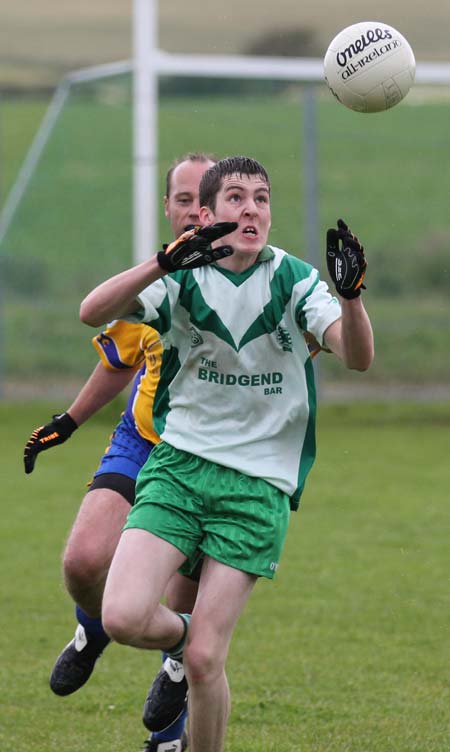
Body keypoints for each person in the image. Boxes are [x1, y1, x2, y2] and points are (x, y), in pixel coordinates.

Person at [78, 155, 374, 752]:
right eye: (236, 197)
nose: (251, 209)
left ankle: (196, 664)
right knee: (122, 617)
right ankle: (186, 635)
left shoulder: (295, 279)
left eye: (261, 198)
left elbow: (358, 356)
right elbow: (92, 311)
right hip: (180, 468)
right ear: (206, 214)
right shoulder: (183, 275)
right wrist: (162, 261)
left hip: (257, 486)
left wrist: (352, 299)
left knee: (209, 661)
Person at [23, 152, 219, 752]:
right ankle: (94, 627)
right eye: (182, 198)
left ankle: (168, 724)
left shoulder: (257, 280)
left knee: (176, 612)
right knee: (84, 562)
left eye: (204, 199)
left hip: (204, 462)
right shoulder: (153, 280)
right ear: (168, 206)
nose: (193, 209)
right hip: (139, 443)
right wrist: (70, 419)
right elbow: (119, 356)